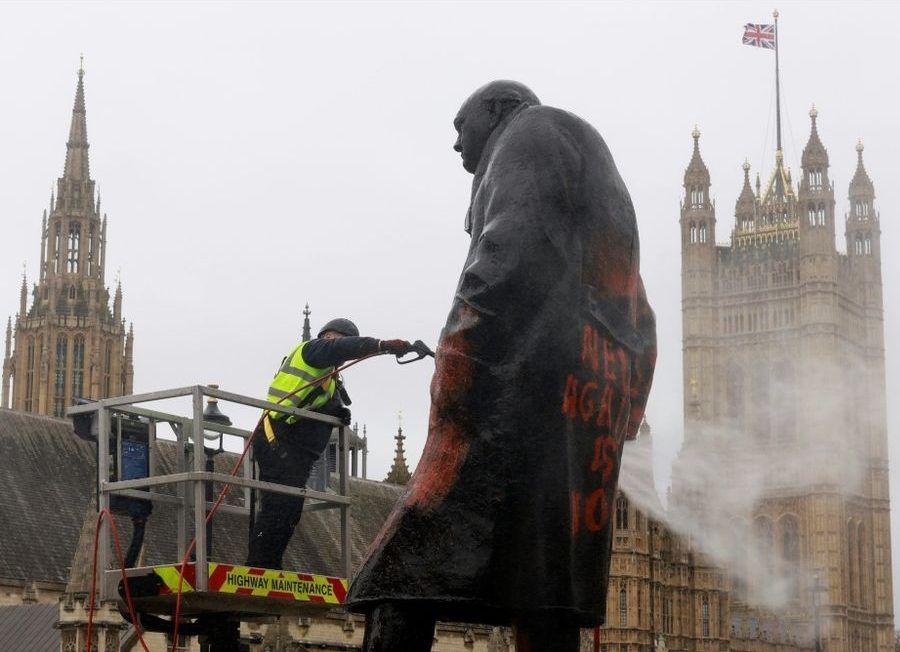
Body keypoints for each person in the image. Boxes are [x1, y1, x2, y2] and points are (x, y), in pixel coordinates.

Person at [346, 81, 657, 651]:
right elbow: (639, 310)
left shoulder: (528, 133)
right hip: (587, 407)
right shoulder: (601, 171)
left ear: (496, 109)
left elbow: (510, 250)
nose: (456, 145)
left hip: (514, 394)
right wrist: (624, 411)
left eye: (460, 127)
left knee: (400, 571)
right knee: (545, 595)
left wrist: (459, 353)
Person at [246, 318, 412, 569]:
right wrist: (382, 345)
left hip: (293, 449)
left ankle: (269, 565)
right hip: (276, 440)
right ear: (328, 336)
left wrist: (337, 413)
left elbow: (320, 403)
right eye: (339, 342)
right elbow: (340, 349)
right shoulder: (312, 351)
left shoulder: (329, 378)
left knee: (290, 510)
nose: (341, 357)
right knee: (279, 506)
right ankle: (259, 568)